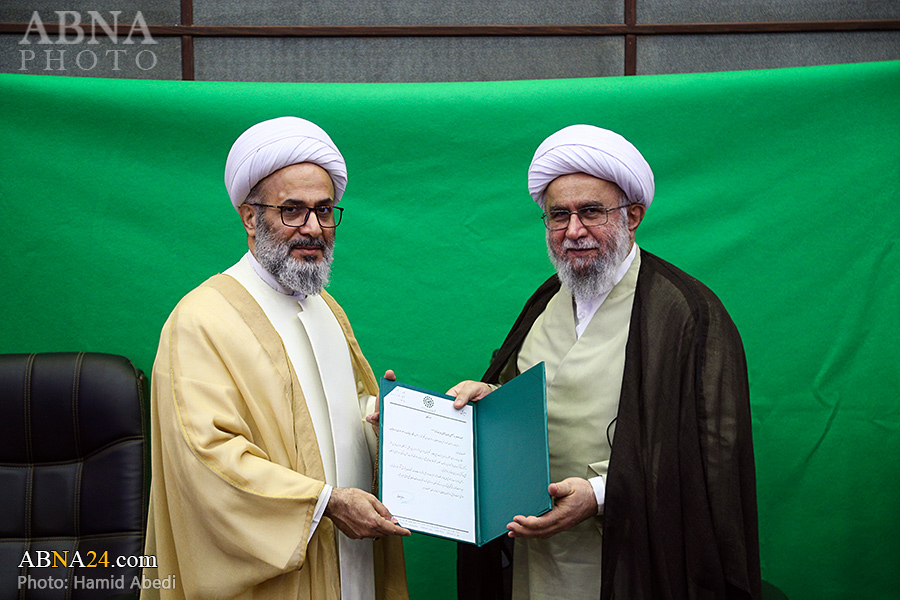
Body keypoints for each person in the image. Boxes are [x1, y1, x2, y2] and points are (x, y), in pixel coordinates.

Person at [451, 125, 760, 600]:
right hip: (535, 551)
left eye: (591, 211)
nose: (574, 231)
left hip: (635, 556)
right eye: (559, 216)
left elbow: (709, 458)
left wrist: (599, 494)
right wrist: (489, 398)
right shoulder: (547, 299)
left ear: (633, 216)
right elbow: (533, 400)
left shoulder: (685, 313)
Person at [143, 116, 410, 600]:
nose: (313, 228)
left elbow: (344, 415)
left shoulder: (326, 307)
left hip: (354, 561)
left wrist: (389, 420)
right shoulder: (201, 320)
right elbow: (208, 461)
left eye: (324, 210)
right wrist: (324, 504)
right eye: (292, 210)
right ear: (249, 217)